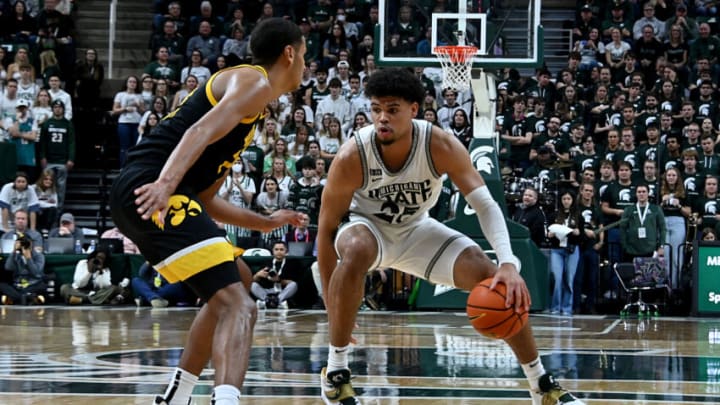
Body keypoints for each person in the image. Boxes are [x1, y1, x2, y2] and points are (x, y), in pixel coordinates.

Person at [316, 68, 584, 405]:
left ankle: (541, 385)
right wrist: (331, 303)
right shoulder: (352, 155)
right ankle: (336, 374)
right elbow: (325, 232)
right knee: (356, 248)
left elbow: (485, 204)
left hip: (416, 229)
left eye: (393, 109)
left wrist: (508, 263)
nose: (382, 118)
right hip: (365, 229)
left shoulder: (439, 144)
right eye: (376, 109)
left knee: (491, 277)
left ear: (414, 110)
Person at [109, 18, 306, 405]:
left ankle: (177, 394)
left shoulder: (254, 106)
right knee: (240, 305)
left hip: (156, 190)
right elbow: (196, 131)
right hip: (151, 186)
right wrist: (166, 185)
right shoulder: (253, 81)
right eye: (303, 55)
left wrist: (266, 221)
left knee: (239, 277)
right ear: (289, 53)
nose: (304, 64)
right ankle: (226, 399)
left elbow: (207, 199)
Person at [58, 247, 128, 305]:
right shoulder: (82, 263)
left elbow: (105, 286)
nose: (99, 260)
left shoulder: (105, 269)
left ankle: (80, 300)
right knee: (64, 288)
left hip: (97, 292)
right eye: (98, 257)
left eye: (102, 259)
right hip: (79, 291)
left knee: (113, 288)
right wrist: (89, 272)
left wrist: (100, 272)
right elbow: (79, 284)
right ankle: (98, 300)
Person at [250, 240, 298, 309]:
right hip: (267, 290)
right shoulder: (266, 262)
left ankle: (269, 302)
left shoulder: (292, 263)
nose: (279, 252)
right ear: (273, 251)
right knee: (253, 285)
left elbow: (293, 282)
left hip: (282, 291)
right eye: (276, 249)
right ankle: (274, 302)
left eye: (281, 249)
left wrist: (278, 280)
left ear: (286, 251)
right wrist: (258, 275)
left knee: (294, 285)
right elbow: (253, 279)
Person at [0, 234, 46, 305]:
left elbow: (36, 273)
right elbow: (8, 267)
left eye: (28, 244)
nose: (25, 246)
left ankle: (17, 298)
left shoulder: (39, 256)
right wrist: (14, 251)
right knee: (2, 285)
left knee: (42, 286)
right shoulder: (16, 256)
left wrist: (29, 259)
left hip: (33, 284)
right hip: (17, 285)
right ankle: (27, 298)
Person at [132, 261, 197, 307]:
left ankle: (147, 299)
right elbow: (142, 274)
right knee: (135, 280)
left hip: (168, 286)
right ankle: (154, 298)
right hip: (153, 287)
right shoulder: (153, 260)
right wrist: (149, 261)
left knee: (178, 285)